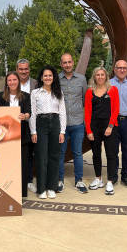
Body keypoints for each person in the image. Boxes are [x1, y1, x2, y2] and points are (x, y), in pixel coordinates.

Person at [30, 65, 66, 199]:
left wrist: (62, 131)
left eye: (50, 75)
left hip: (55, 124)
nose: (48, 78)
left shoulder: (59, 93)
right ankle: (41, 189)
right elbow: (33, 113)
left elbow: (62, 113)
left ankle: (51, 187)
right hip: (41, 124)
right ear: (41, 77)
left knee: (54, 156)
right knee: (41, 156)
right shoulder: (35, 93)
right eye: (45, 75)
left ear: (53, 77)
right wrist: (33, 131)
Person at [0, 71, 32, 197]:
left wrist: (25, 116)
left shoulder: (26, 96)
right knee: (7, 163)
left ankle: (21, 193)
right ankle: (7, 191)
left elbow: (29, 112)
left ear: (18, 81)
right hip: (6, 136)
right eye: (9, 80)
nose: (12, 82)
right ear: (6, 82)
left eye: (14, 80)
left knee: (23, 165)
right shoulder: (1, 96)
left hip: (22, 135)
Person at [85, 67, 120, 195]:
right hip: (94, 125)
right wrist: (89, 130)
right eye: (97, 75)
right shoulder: (89, 92)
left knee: (111, 154)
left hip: (109, 124)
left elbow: (116, 108)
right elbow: (87, 112)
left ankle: (110, 182)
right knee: (96, 153)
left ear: (106, 77)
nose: (100, 77)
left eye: (102, 75)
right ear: (94, 77)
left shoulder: (113, 90)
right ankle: (98, 178)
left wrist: (110, 126)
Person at [58, 53, 88, 194]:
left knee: (77, 152)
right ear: (61, 64)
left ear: (73, 63)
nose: (68, 65)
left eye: (70, 62)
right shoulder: (56, 79)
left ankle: (79, 180)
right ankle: (59, 180)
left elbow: (84, 99)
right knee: (61, 153)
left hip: (77, 122)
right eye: (65, 62)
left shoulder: (81, 79)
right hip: (61, 124)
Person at [109, 60, 127, 188]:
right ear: (114, 69)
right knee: (113, 150)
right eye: (119, 68)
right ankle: (113, 177)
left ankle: (125, 176)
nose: (122, 70)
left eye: (124, 68)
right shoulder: (108, 84)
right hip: (113, 122)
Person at [17, 59, 39, 195]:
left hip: (32, 124)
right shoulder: (11, 82)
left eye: (26, 69)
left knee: (30, 155)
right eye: (21, 69)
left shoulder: (36, 84)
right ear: (17, 69)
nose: (23, 71)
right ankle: (17, 180)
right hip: (16, 125)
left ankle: (29, 180)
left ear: (29, 69)